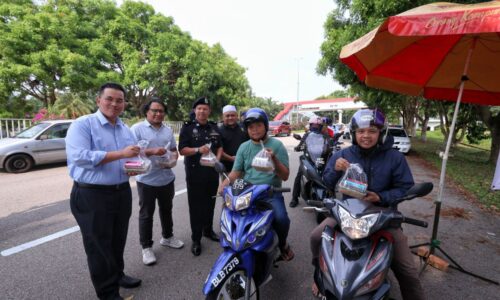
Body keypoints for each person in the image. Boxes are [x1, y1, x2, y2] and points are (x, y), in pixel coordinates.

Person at [309, 108, 424, 300]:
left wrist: (380, 197)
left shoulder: (394, 158)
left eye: (372, 131)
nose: (366, 136)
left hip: (383, 216)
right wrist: (335, 170)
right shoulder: (343, 154)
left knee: (408, 271)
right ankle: (320, 276)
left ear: (381, 133)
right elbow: (326, 183)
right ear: (354, 133)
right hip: (346, 215)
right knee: (315, 237)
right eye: (361, 131)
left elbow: (405, 188)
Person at [66, 82, 141, 300]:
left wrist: (133, 167)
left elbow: (131, 155)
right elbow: (79, 157)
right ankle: (108, 293)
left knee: (118, 239)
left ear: (124, 104)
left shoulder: (124, 128)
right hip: (92, 195)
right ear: (98, 100)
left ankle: (118, 275)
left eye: (119, 100)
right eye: (109, 99)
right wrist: (120, 154)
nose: (114, 104)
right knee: (99, 245)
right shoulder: (83, 125)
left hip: (121, 192)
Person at [218, 108, 294, 261]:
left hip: (271, 193)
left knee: (281, 219)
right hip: (247, 194)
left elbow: (285, 176)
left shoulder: (277, 145)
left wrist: (274, 159)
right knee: (230, 217)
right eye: (251, 127)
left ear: (265, 126)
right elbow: (236, 172)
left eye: (258, 125)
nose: (255, 130)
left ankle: (283, 244)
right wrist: (223, 185)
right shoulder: (244, 147)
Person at [130, 98, 184, 266]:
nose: (158, 113)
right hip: (146, 179)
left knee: (167, 209)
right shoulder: (137, 129)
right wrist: (152, 151)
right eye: (154, 110)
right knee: (146, 214)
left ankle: (167, 237)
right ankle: (146, 247)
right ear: (147, 111)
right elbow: (131, 153)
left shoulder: (168, 131)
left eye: (161, 111)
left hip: (166, 178)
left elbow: (174, 151)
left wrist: (174, 158)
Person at [178, 96, 223, 256]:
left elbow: (219, 147)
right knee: (196, 207)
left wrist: (216, 160)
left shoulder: (214, 127)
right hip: (195, 173)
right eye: (199, 108)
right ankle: (196, 239)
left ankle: (208, 231)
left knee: (210, 203)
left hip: (211, 173)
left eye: (205, 108)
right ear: (195, 111)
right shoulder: (188, 128)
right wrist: (198, 150)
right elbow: (182, 150)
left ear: (209, 111)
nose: (202, 111)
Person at [290, 116, 334, 207]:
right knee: (299, 175)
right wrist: (298, 147)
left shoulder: (325, 135)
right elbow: (301, 143)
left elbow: (330, 143)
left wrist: (331, 148)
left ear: (321, 126)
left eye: (317, 125)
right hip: (309, 158)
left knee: (330, 175)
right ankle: (294, 198)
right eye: (313, 125)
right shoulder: (307, 135)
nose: (315, 127)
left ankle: (332, 195)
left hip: (321, 158)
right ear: (310, 126)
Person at [218, 104, 249, 172]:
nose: (230, 118)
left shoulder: (243, 128)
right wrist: (232, 159)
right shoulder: (219, 131)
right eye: (227, 116)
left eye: (232, 115)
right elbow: (218, 150)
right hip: (227, 169)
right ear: (223, 117)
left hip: (245, 167)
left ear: (237, 116)